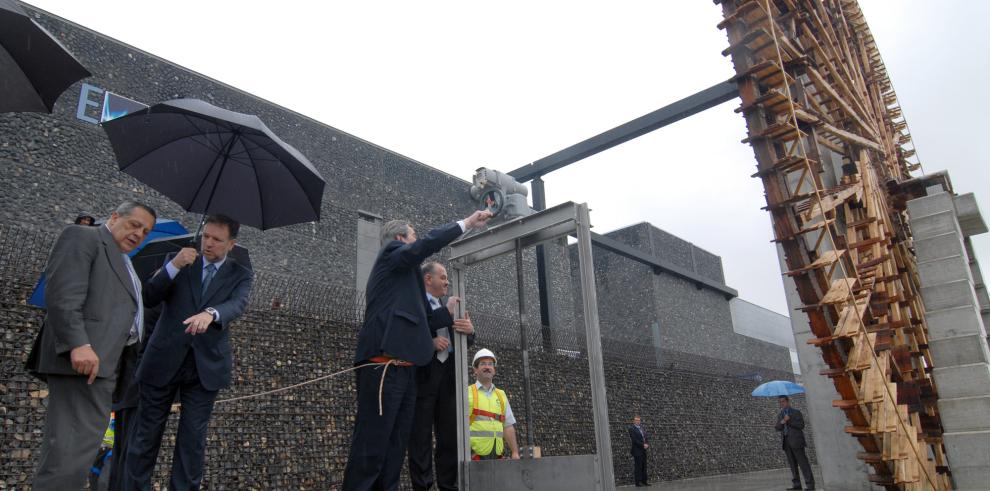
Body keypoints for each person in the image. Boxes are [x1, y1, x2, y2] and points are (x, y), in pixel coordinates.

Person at [343, 210, 492, 491]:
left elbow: (426, 322)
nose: (417, 240)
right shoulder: (392, 253)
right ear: (401, 239)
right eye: (413, 235)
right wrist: (467, 223)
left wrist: (447, 313)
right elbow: (426, 244)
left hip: (407, 371)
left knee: (395, 450)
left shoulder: (406, 281)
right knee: (371, 448)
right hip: (384, 365)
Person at [29, 201, 156, 489]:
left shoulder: (124, 260)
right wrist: (78, 343)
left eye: (145, 231)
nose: (138, 233)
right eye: (134, 224)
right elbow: (62, 294)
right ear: (113, 216)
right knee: (69, 453)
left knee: (76, 452)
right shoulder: (84, 237)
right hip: (84, 361)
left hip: (105, 367)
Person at [123, 215, 253, 490]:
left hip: (204, 368)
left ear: (231, 244)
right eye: (206, 236)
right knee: (145, 437)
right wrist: (173, 266)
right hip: (162, 360)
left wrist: (211, 314)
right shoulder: (178, 260)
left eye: (217, 240)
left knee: (192, 440)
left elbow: (237, 305)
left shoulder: (241, 274)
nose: (208, 243)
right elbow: (149, 296)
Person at [408, 261, 475, 491]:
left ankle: (449, 485)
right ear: (428, 279)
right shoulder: (415, 301)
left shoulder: (451, 307)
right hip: (425, 375)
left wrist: (470, 330)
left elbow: (463, 338)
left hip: (449, 376)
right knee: (421, 436)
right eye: (443, 277)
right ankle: (423, 486)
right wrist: (430, 342)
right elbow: (411, 332)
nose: (447, 282)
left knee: (449, 436)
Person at [467, 349, 520, 461]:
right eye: (483, 364)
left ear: (494, 370)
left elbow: (508, 425)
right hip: (473, 457)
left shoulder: (501, 395)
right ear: (475, 370)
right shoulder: (466, 393)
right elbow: (457, 427)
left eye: (490, 364)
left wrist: (515, 452)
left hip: (497, 457)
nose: (487, 367)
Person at [776, 395, 815, 491]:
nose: (782, 403)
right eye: (780, 402)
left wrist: (788, 421)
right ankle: (797, 485)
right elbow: (777, 427)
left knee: (803, 464)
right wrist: (782, 422)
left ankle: (810, 485)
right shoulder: (780, 414)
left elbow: (801, 425)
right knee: (792, 465)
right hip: (786, 443)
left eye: (783, 401)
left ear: (788, 402)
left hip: (797, 442)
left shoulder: (796, 412)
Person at [629, 415, 649, 487]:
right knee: (638, 466)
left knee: (644, 466)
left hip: (644, 450)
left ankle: (644, 481)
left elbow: (645, 437)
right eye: (636, 420)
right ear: (634, 421)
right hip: (637, 450)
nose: (638, 421)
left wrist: (646, 444)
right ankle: (638, 482)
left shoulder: (642, 428)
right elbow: (634, 440)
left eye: (639, 420)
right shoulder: (631, 429)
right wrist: (643, 445)